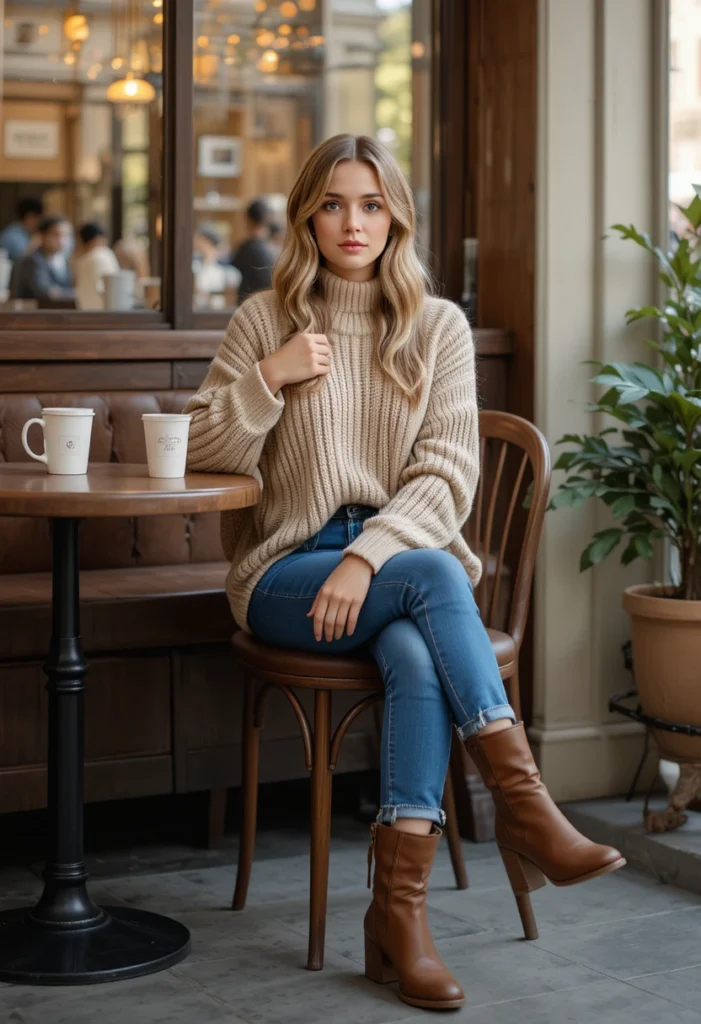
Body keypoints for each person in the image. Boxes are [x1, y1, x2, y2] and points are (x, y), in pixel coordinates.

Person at [185, 134, 625, 1012]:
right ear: (309, 213)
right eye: (335, 203)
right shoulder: (263, 321)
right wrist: (268, 379)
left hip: (387, 566)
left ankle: (398, 921)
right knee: (432, 576)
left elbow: (446, 476)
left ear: (397, 217)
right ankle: (523, 805)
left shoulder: (436, 326)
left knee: (418, 653)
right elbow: (201, 457)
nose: (354, 223)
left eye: (373, 204)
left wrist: (364, 555)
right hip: (284, 574)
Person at [10, 215, 73, 302]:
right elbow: (45, 292)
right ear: (42, 236)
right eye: (57, 235)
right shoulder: (32, 260)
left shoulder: (63, 261)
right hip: (31, 314)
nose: (62, 241)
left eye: (66, 235)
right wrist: (76, 293)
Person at [231, 198, 277, 303]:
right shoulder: (275, 249)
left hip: (248, 306)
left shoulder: (246, 249)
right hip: (268, 305)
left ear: (248, 219)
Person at [74, 222, 120, 310]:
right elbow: (105, 289)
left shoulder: (82, 260)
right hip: (105, 313)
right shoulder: (102, 255)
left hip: (86, 313)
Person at [0, 196, 44, 262]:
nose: (40, 221)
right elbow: (20, 261)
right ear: (30, 216)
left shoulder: (29, 232)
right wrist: (33, 245)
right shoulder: (11, 235)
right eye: (38, 217)